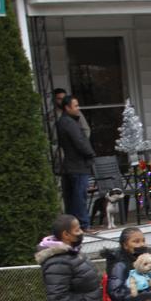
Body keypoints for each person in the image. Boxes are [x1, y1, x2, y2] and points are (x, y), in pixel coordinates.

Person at [56, 95, 95, 231]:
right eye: (76, 106)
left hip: (71, 165)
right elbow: (79, 141)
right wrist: (90, 153)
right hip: (77, 165)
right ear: (67, 107)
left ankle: (72, 225)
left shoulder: (66, 121)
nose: (78, 108)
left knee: (73, 197)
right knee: (79, 196)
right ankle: (83, 224)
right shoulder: (69, 123)